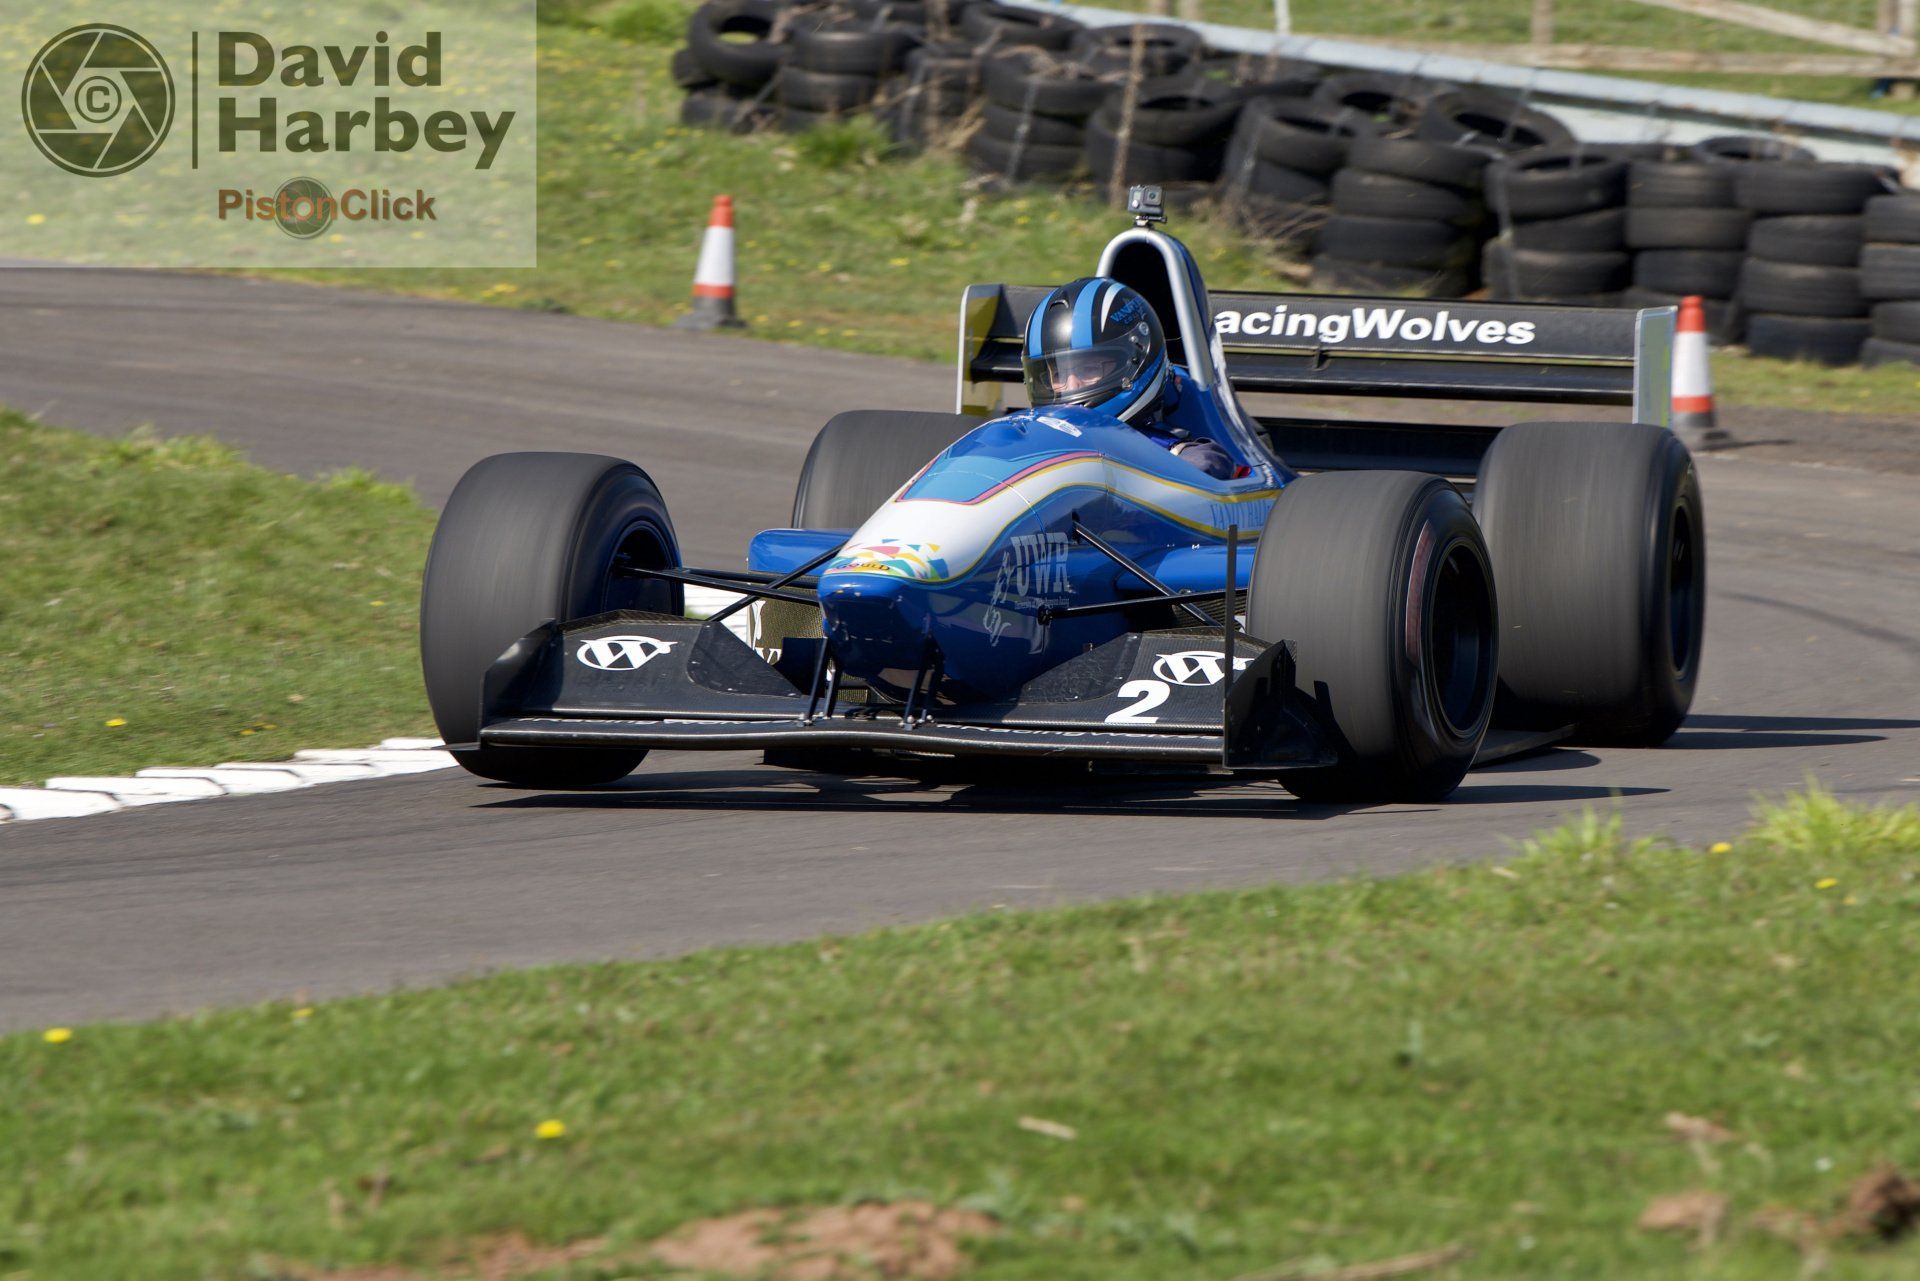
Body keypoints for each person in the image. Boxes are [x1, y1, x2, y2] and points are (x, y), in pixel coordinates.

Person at [1021, 276, 1238, 479]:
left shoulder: (1171, 451)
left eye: (1089, 369)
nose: (1071, 387)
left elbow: (1209, 463)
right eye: (1058, 375)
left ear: (1136, 360)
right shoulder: (1036, 441)